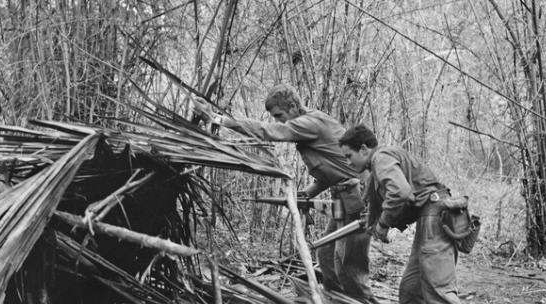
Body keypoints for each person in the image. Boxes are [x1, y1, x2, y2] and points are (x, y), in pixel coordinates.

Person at [193, 85, 376, 303]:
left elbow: (268, 131)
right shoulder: (309, 124)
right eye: (276, 117)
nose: (279, 121)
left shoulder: (311, 123)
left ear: (292, 106)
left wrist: (220, 120)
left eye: (280, 115)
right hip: (342, 197)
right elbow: (333, 170)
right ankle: (338, 301)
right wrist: (307, 193)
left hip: (356, 198)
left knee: (349, 266)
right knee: (327, 257)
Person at [338, 124, 460, 304]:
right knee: (411, 290)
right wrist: (375, 223)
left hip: (436, 216)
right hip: (428, 219)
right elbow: (379, 201)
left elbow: (400, 192)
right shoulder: (376, 167)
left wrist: (383, 224)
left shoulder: (381, 158)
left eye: (349, 156)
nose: (348, 162)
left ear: (364, 149)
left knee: (438, 292)